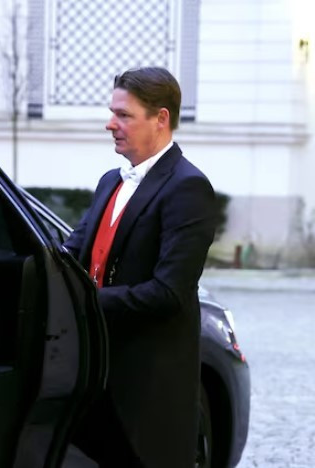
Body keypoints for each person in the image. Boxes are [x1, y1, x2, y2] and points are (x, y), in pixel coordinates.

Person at [64, 67, 217, 468]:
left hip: (147, 397)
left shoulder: (187, 187)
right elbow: (70, 254)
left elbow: (168, 293)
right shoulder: (110, 181)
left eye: (123, 115)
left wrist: (86, 302)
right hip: (93, 384)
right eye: (112, 113)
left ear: (160, 118)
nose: (110, 123)